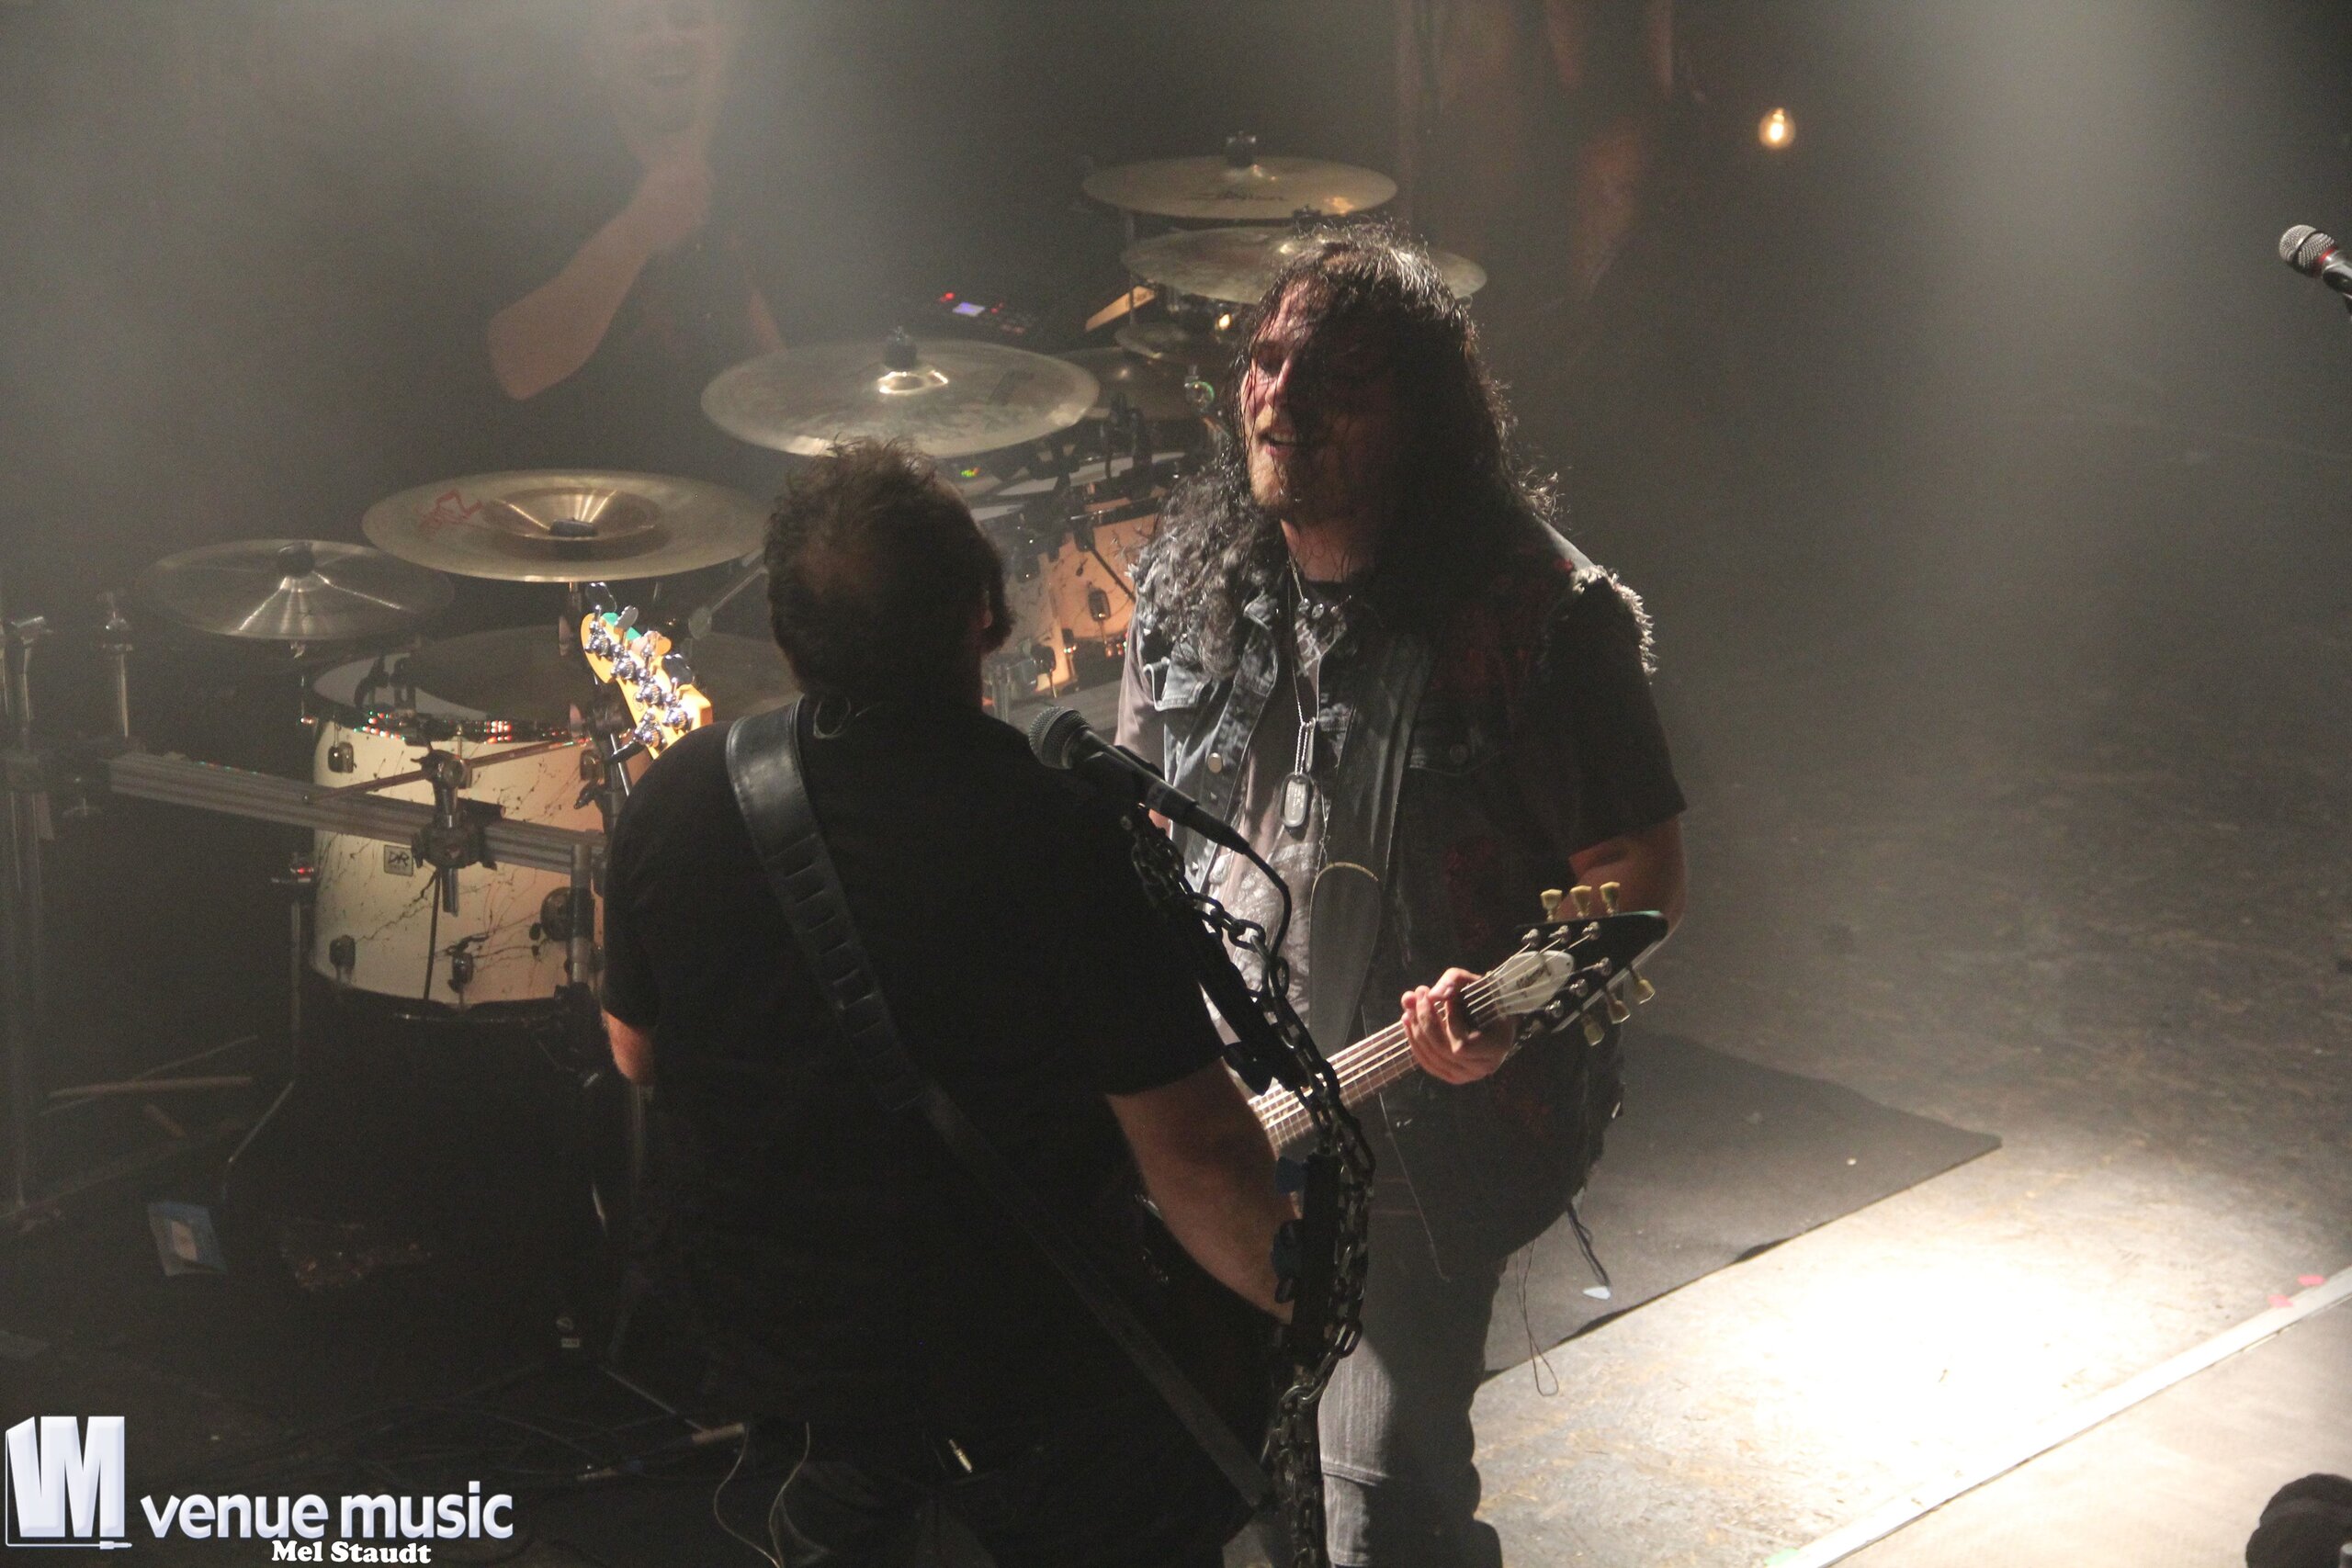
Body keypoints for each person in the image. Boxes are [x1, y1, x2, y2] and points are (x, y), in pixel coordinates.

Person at [598, 440, 1295, 1568]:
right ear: (985, 609)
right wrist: (1306, 1307)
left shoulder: (676, 795)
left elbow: (636, 1054)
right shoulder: (1055, 835)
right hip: (1026, 1394)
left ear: (784, 633)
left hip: (781, 1373)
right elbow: (1201, 1159)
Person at [1117, 231, 1689, 1567]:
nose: (1282, 400)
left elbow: (1639, 873)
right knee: (1204, 1484)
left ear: (1421, 414)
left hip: (1415, 1139)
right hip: (1213, 1120)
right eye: (1266, 362)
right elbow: (1132, 827)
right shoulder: (1190, 579)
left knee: (1374, 1508)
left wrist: (1507, 1008)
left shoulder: (1540, 616)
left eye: (1337, 379)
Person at [479, 0, 783, 486]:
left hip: (727, 506)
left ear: (725, 43)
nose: (667, 38)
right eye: (638, 24)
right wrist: (637, 230)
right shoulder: (546, 180)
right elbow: (518, 367)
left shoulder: (755, 165)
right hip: (584, 510)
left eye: (687, 18)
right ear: (595, 58)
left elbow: (771, 361)